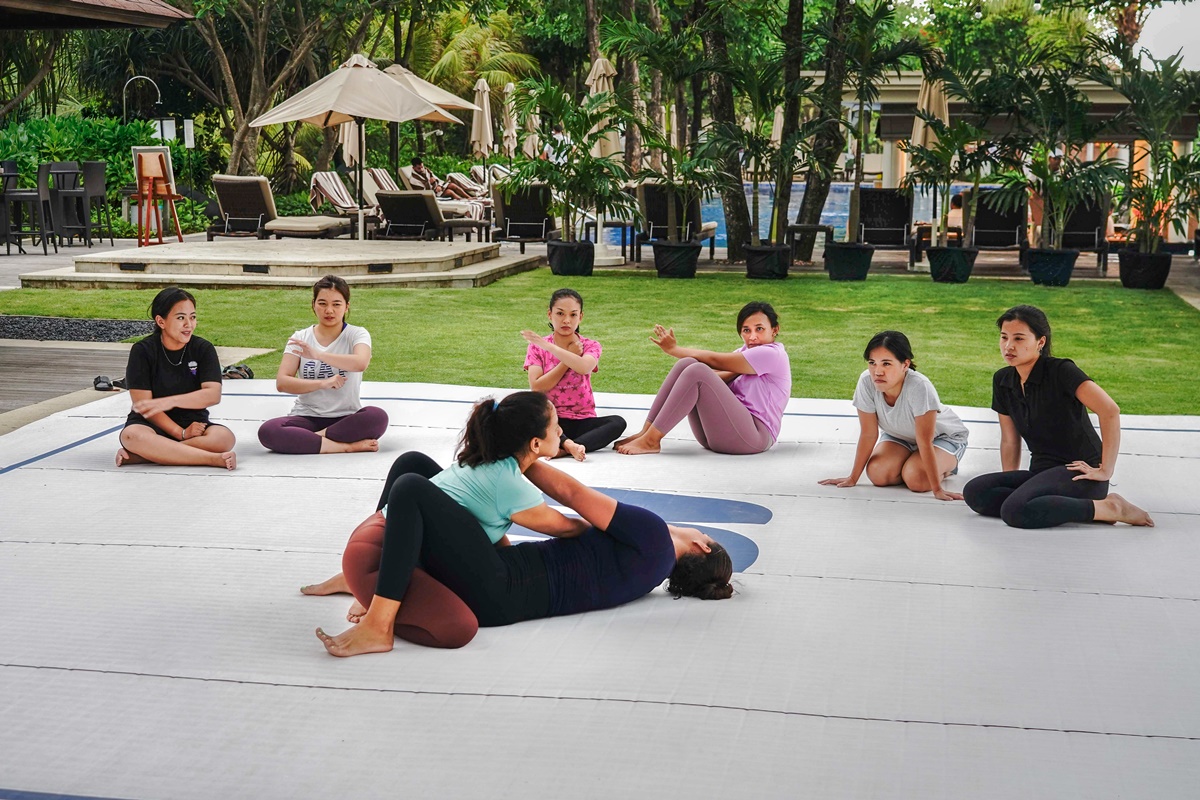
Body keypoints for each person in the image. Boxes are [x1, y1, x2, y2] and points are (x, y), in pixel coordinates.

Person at [309, 393, 734, 657]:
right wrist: (518, 457)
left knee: (411, 486)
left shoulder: (654, 537)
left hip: (499, 585)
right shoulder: (647, 572)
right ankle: (383, 578)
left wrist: (522, 457)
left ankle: (379, 624)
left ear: (700, 547)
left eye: (707, 536)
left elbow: (573, 498)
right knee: (418, 467)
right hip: (501, 581)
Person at [963, 305, 1154, 529]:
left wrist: (1105, 470)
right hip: (1042, 473)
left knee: (1015, 511)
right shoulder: (1003, 380)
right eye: (1004, 337)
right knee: (975, 493)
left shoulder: (1061, 371)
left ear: (1040, 342)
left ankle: (1111, 507)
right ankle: (1049, 505)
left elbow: (1109, 410)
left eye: (1019, 338)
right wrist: (1012, 481)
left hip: (1081, 473)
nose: (1009, 346)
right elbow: (1009, 439)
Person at [615, 301, 791, 456]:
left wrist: (675, 350)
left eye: (759, 329)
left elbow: (711, 363)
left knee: (696, 369)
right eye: (746, 330)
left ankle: (651, 440)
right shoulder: (744, 352)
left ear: (775, 330)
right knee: (687, 364)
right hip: (721, 434)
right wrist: (735, 371)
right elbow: (710, 377)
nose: (752, 336)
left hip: (754, 437)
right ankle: (646, 433)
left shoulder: (773, 354)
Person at [819, 331, 968, 500]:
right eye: (872, 363)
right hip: (900, 435)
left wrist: (937, 489)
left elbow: (924, 441)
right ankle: (912, 463)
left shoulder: (919, 386)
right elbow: (869, 434)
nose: (878, 371)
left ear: (905, 365)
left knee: (917, 480)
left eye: (886, 364)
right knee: (878, 474)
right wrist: (853, 478)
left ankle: (946, 468)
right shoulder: (866, 382)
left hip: (943, 437)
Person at [258, 275, 388, 455]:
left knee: (377, 417)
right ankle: (345, 447)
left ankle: (312, 438)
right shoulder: (300, 338)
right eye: (322, 303)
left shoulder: (357, 334)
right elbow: (282, 382)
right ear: (313, 305)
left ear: (346, 306)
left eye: (336, 304)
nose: (329, 310)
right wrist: (323, 383)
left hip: (345, 418)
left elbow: (360, 363)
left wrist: (319, 355)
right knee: (268, 431)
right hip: (307, 417)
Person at [115, 287, 236, 470]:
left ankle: (146, 456)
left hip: (195, 425)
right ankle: (211, 459)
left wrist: (168, 403)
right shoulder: (142, 351)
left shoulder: (203, 349)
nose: (189, 324)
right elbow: (144, 407)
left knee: (225, 438)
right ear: (161, 321)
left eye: (193, 317)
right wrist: (179, 433)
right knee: (132, 436)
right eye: (181, 318)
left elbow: (213, 395)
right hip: (150, 424)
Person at [521, 288, 626, 460]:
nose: (566, 320)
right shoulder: (538, 346)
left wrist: (551, 348)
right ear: (550, 314)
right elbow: (537, 387)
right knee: (525, 412)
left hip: (582, 419)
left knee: (617, 422)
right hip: (549, 418)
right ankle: (570, 445)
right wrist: (562, 358)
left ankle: (563, 447)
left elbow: (584, 367)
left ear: (580, 317)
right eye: (560, 314)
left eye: (573, 315)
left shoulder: (591, 345)